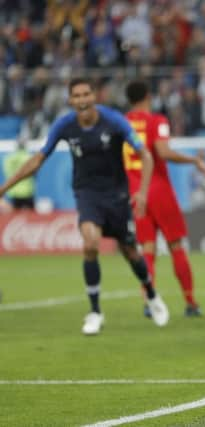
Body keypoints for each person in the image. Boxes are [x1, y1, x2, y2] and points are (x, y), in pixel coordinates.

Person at [0, 78, 169, 335]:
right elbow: (38, 159)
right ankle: (95, 312)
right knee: (90, 244)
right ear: (70, 100)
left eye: (86, 94)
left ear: (94, 96)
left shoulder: (113, 121)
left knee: (130, 252)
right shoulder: (64, 125)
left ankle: (152, 295)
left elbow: (145, 154)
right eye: (76, 96)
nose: (81, 100)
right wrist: (4, 188)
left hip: (117, 195)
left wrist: (143, 192)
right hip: (87, 194)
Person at [124, 80, 205, 317]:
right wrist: (195, 160)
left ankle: (149, 303)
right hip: (158, 190)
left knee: (148, 250)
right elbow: (163, 152)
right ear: (148, 97)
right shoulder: (157, 121)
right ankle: (191, 303)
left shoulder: (122, 124)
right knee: (175, 246)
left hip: (136, 193)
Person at [2, 139, 35, 210]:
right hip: (27, 191)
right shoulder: (29, 157)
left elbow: (7, 172)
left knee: (15, 216)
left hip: (14, 191)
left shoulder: (9, 158)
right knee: (32, 216)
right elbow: (34, 172)